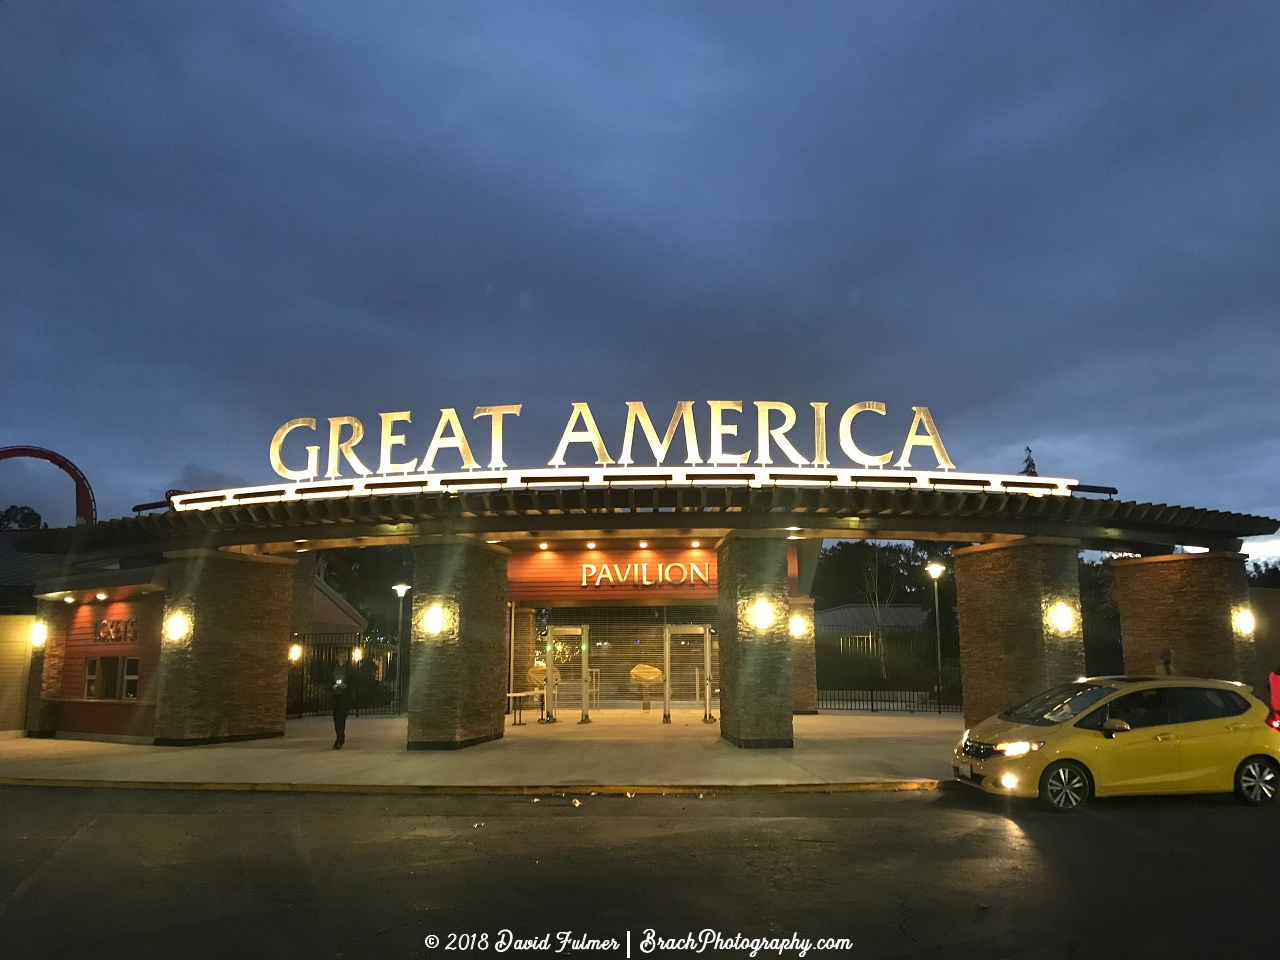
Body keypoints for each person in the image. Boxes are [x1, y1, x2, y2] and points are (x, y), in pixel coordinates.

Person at [332, 650, 350, 749]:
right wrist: (332, 686)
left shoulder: (349, 669)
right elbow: (328, 679)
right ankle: (340, 737)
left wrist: (346, 686)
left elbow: (353, 680)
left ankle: (339, 739)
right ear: (338, 657)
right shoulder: (333, 668)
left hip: (344, 697)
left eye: (345, 657)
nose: (343, 658)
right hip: (335, 696)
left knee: (341, 718)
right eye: (341, 656)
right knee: (336, 718)